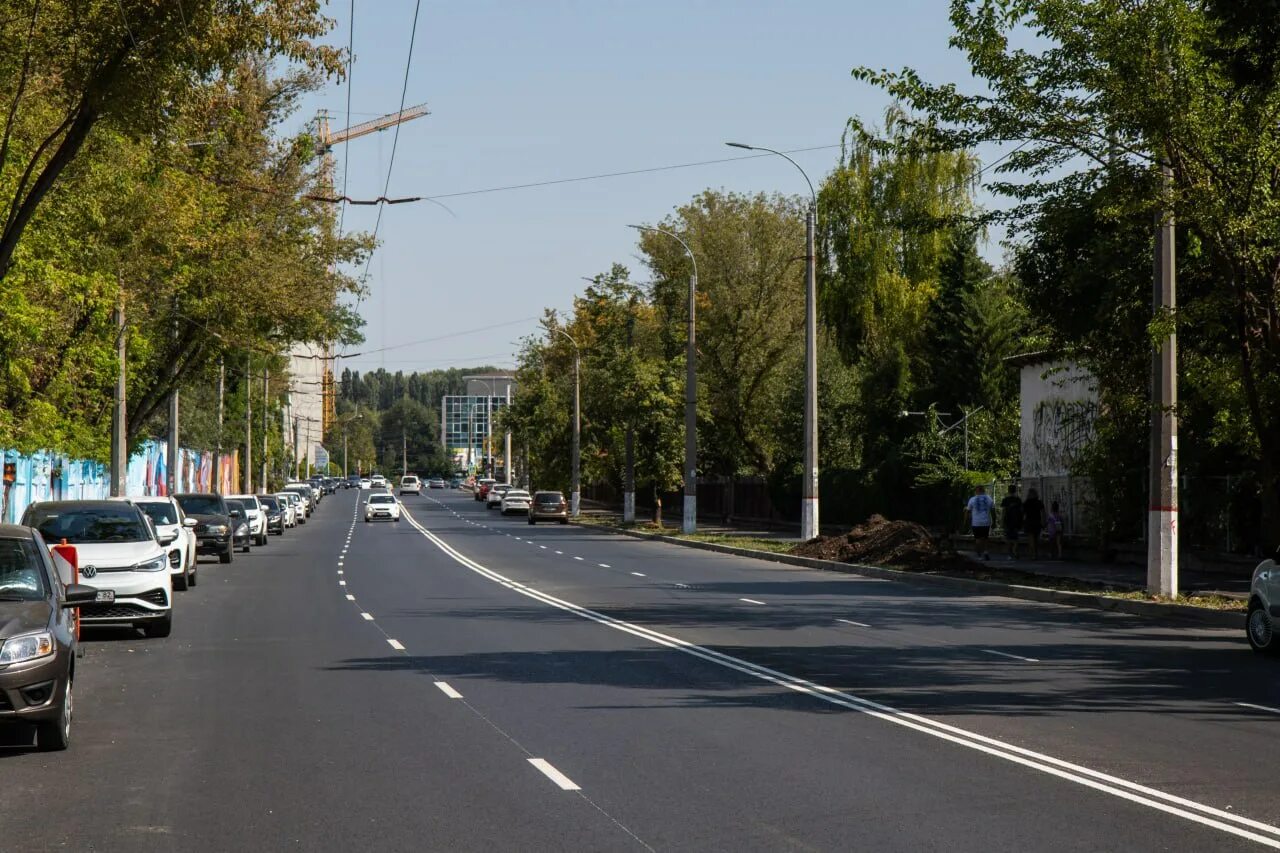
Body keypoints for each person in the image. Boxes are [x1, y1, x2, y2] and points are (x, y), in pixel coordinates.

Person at [964, 484, 995, 560]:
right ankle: (986, 552)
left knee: (978, 539)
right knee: (985, 538)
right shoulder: (989, 499)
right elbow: (993, 511)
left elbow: (967, 512)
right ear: (983, 490)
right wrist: (994, 521)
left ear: (976, 491)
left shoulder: (972, 499)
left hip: (976, 523)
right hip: (986, 522)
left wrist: (965, 522)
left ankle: (979, 554)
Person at [1001, 484, 1024, 560]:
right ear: (1015, 490)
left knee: (1008, 538)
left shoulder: (1005, 500)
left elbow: (1003, 511)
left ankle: (1009, 554)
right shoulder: (1018, 500)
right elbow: (1021, 511)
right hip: (1016, 521)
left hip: (1007, 521)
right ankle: (1015, 550)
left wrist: (1002, 521)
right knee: (1016, 538)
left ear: (1008, 490)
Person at [1023, 487, 1046, 559]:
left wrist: (1022, 522)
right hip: (1037, 522)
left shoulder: (1026, 503)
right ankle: (1035, 553)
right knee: (1036, 539)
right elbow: (1043, 513)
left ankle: (1032, 554)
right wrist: (1043, 521)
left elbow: (1023, 514)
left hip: (1029, 522)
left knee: (1031, 539)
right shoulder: (1039, 502)